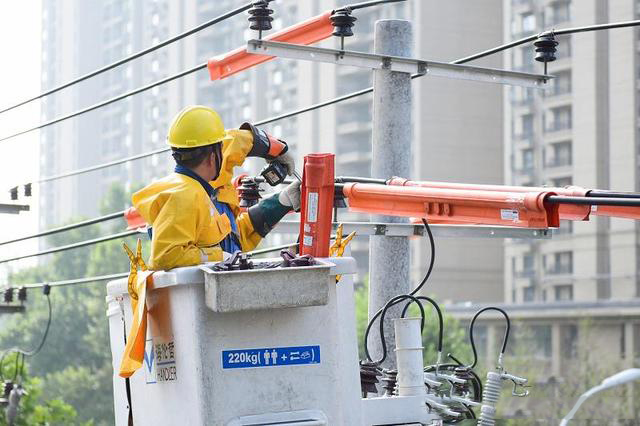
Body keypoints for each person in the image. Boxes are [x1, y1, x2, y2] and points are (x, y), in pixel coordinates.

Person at [131, 105, 301, 270]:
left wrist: (281, 202)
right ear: (212, 157)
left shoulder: (202, 192)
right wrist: (219, 256)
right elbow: (166, 256)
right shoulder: (184, 196)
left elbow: (232, 238)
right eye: (221, 147)